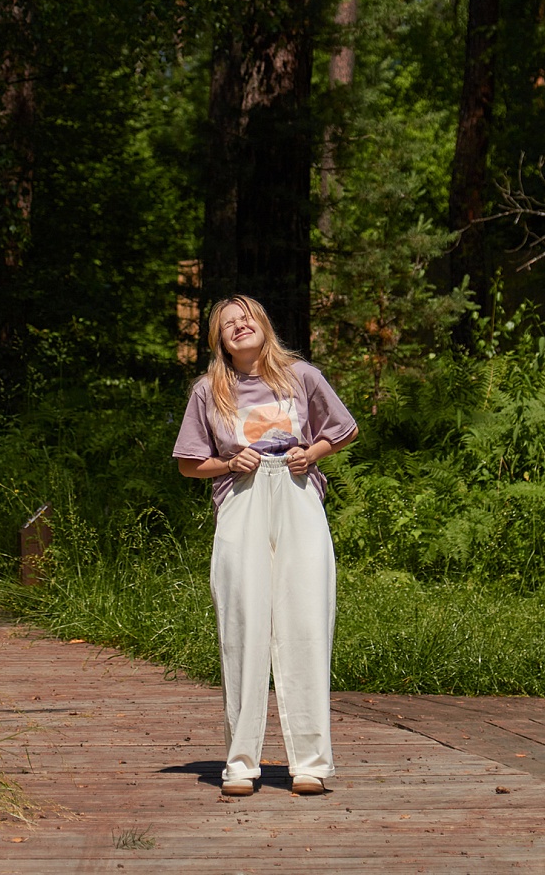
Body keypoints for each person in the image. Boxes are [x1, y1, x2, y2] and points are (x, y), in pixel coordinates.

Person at [173, 295, 358, 797]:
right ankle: (240, 764)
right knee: (244, 623)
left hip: (298, 497)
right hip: (242, 498)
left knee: (306, 621)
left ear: (264, 325)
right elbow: (191, 462)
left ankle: (311, 764)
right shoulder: (209, 390)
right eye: (228, 323)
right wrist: (230, 463)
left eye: (247, 317)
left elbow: (343, 429)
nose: (239, 326)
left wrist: (311, 452)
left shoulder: (301, 376)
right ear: (218, 340)